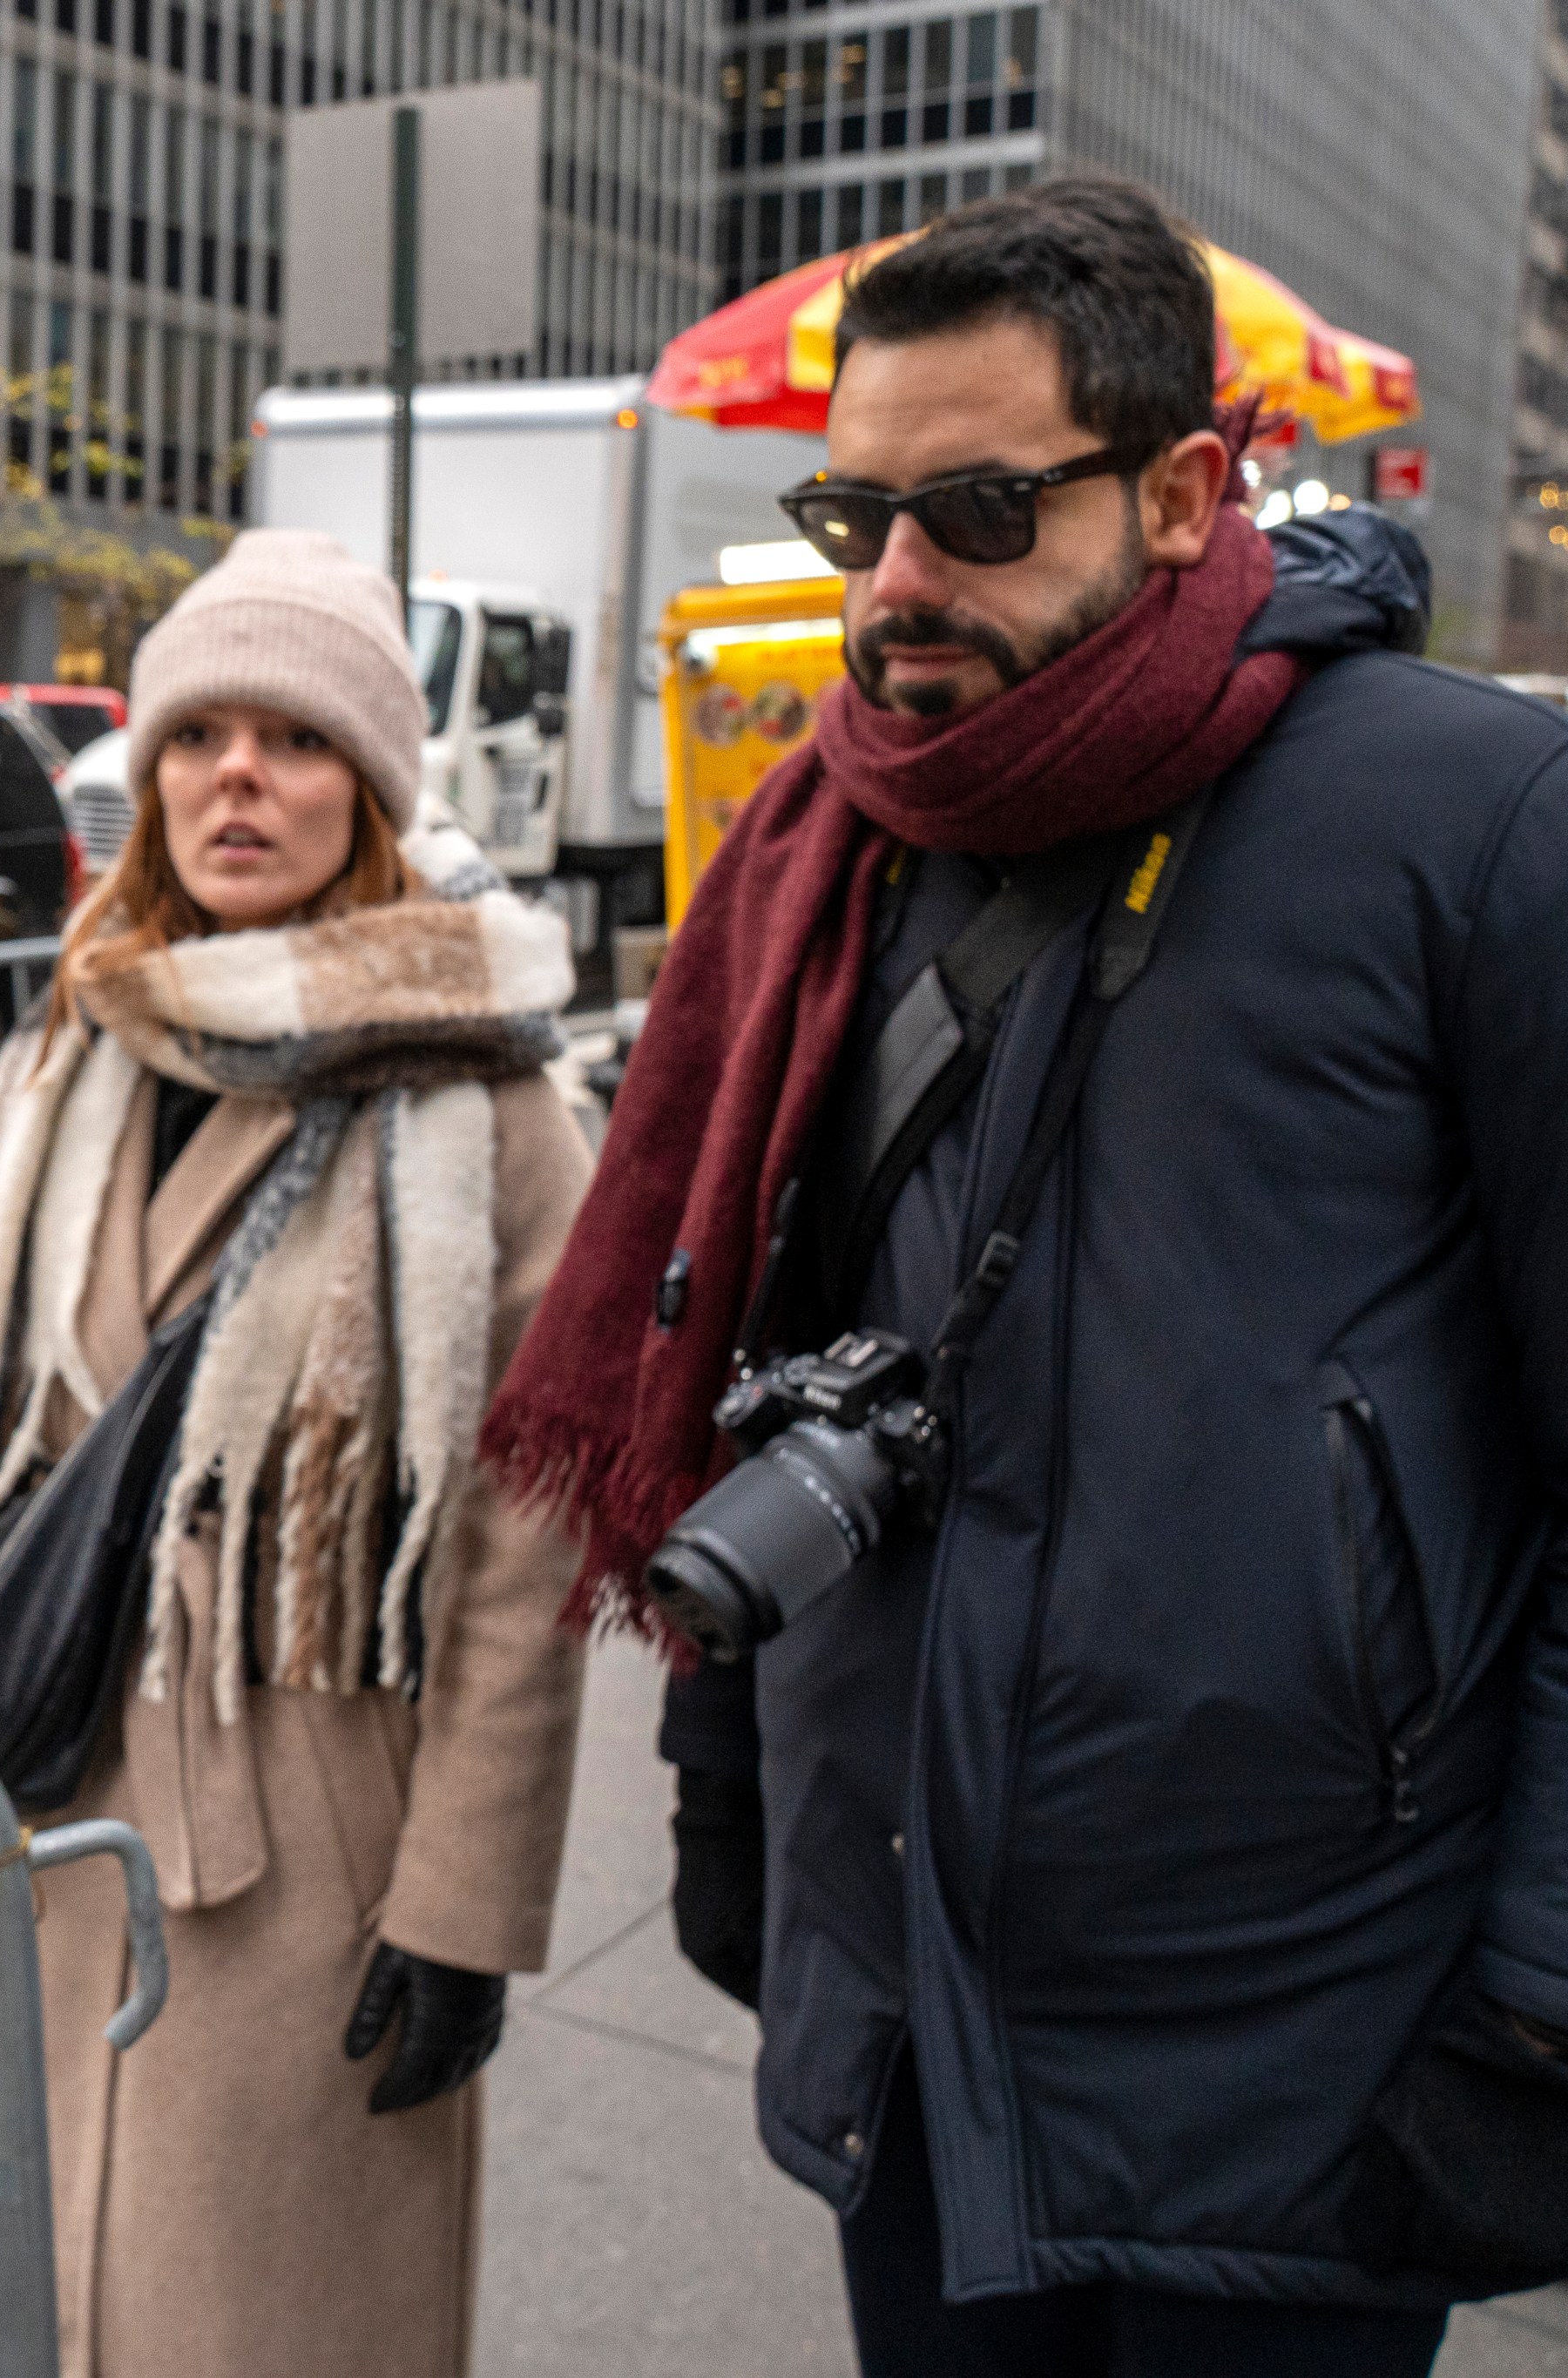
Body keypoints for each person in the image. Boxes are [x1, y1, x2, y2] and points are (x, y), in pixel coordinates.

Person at [483, 179, 1568, 2375]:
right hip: (903, 2005)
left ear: (1180, 493)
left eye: (974, 510)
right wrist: (728, 1791)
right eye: (845, 513)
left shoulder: (1479, 821)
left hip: (1303, 2048)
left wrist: (1535, 2000)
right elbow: (755, 1337)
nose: (891, 588)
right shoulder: (840, 828)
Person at [0, 530, 593, 2376]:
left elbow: (523, 1550)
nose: (236, 778)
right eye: (199, 736)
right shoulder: (77, 1033)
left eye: (292, 739)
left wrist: (460, 1912)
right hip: (31, 1810)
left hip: (306, 1855)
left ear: (367, 786)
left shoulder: (483, 1098)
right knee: (31, 2312)